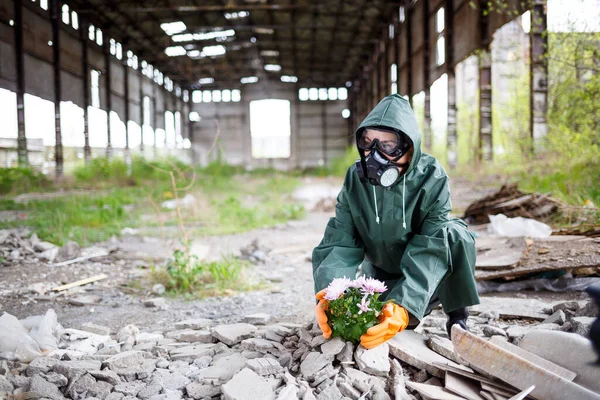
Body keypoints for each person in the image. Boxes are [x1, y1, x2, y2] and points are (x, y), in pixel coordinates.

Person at [312, 94, 480, 349]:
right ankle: (399, 304)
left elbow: (431, 248)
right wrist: (330, 293)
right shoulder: (356, 179)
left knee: (454, 233)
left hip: (428, 276)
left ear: (410, 146)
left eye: (388, 146)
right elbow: (341, 240)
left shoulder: (432, 176)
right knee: (376, 325)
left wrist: (404, 306)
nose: (375, 155)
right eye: (368, 143)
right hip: (379, 277)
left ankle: (457, 316)